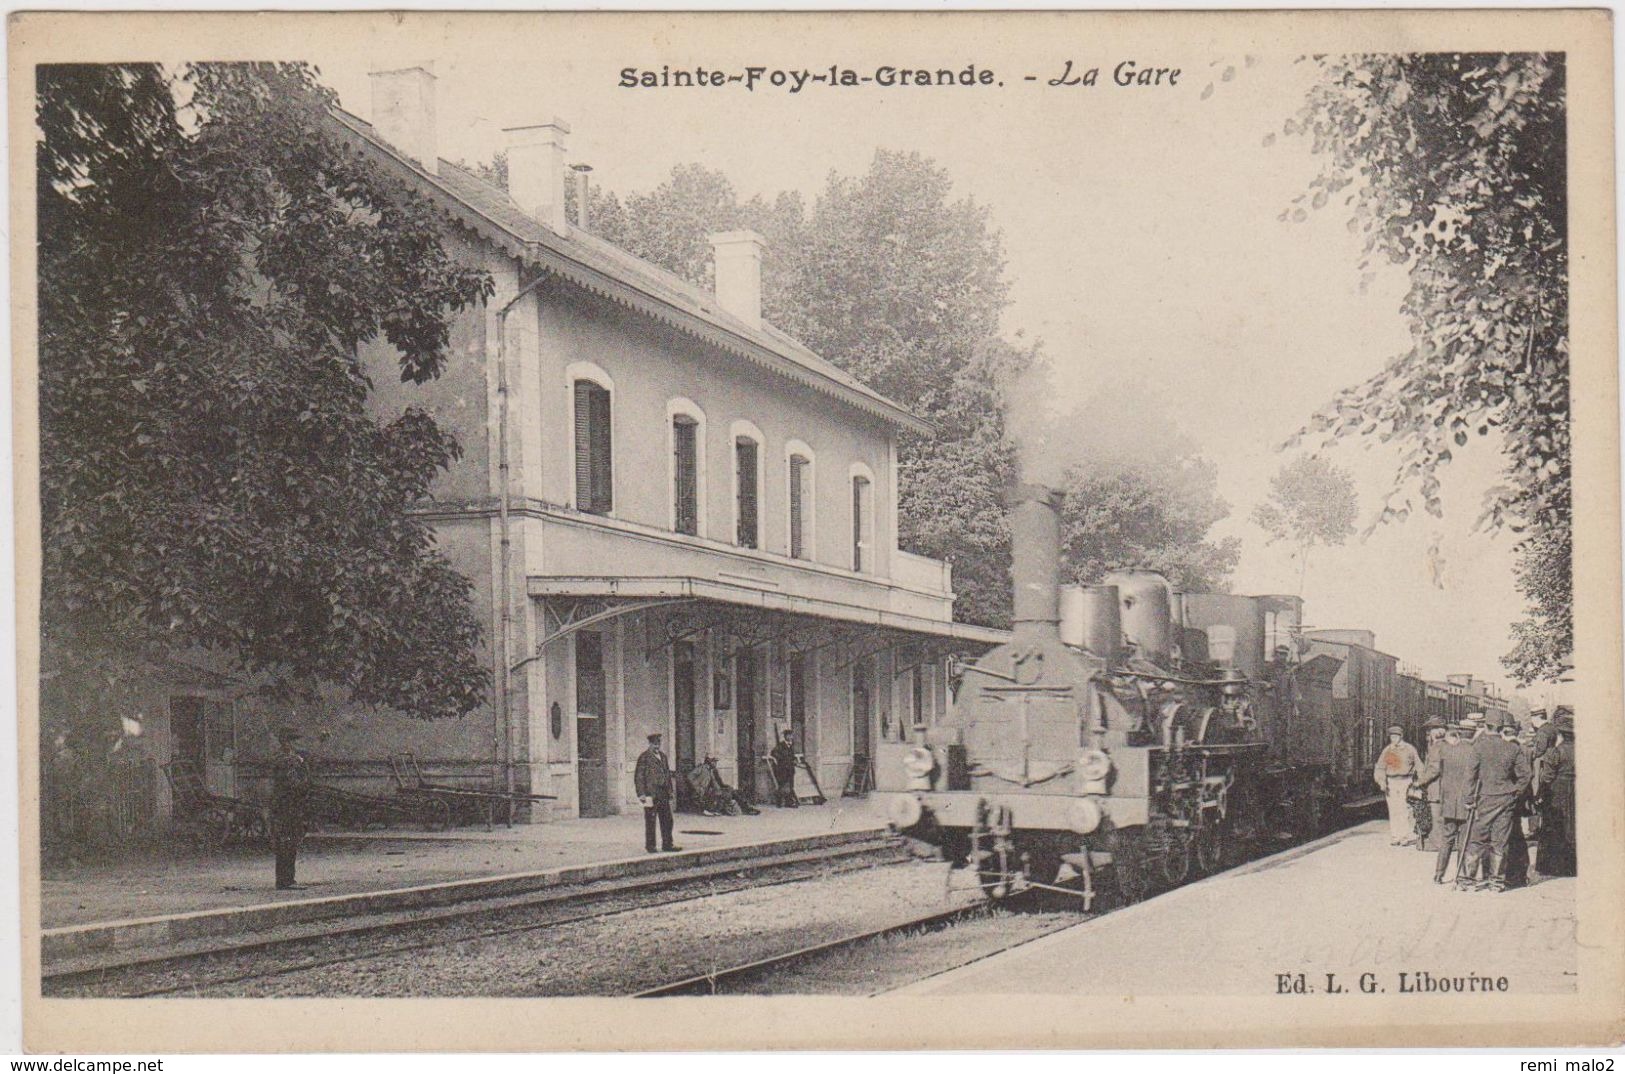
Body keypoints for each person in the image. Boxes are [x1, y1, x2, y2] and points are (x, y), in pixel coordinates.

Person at [1461, 712, 1532, 892]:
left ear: (1486, 726)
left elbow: (1470, 776)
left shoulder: (1478, 747)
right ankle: (1496, 883)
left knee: (1476, 841)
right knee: (1500, 842)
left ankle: (1468, 881)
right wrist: (1515, 792)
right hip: (1506, 800)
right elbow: (1526, 775)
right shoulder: (1512, 748)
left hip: (1483, 800)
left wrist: (1469, 800)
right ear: (1502, 728)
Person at [1430, 720, 1478, 884]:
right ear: (1473, 732)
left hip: (1449, 801)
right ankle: (1462, 876)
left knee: (1447, 839)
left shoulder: (1446, 751)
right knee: (1465, 840)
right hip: (1467, 802)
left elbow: (1438, 771)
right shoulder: (1474, 751)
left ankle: (1438, 874)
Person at [271, 728, 313, 890]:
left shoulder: (284, 759)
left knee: (288, 842)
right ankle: (285, 880)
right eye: (295, 741)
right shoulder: (289, 761)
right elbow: (296, 785)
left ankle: (287, 879)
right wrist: (303, 767)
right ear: (287, 742)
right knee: (288, 842)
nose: (298, 744)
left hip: (285, 806)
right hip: (288, 806)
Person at [1536, 713, 1576, 877]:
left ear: (1560, 734)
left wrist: (1540, 794)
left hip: (1557, 791)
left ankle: (1554, 866)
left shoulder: (1555, 752)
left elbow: (1547, 777)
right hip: (1575, 790)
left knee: (1554, 826)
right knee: (1572, 825)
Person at [1373, 724, 1422, 846]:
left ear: (1401, 736)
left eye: (1396, 736)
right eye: (1392, 736)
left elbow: (1419, 766)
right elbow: (1380, 767)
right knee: (1393, 809)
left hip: (1406, 781)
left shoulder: (1410, 749)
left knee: (1404, 809)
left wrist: (1420, 782)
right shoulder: (1388, 750)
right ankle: (1395, 837)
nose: (1393, 739)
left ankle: (1404, 837)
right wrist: (1382, 781)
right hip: (1391, 782)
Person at [634, 732, 681, 853]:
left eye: (658, 743)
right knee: (650, 820)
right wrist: (641, 794)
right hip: (650, 794)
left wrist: (670, 791)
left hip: (663, 793)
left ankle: (667, 844)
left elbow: (667, 775)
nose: (657, 746)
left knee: (667, 820)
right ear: (649, 744)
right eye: (654, 744)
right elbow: (639, 776)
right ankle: (651, 846)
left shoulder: (663, 756)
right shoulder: (644, 757)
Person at [1410, 718, 1448, 852]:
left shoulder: (1436, 747)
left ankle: (1436, 844)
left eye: (1429, 731)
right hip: (1444, 787)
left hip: (1435, 787)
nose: (1427, 735)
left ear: (1435, 732)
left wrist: (1419, 782)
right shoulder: (1447, 745)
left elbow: (1434, 769)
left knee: (1435, 815)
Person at [686, 755, 761, 816]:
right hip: (703, 793)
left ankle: (747, 808)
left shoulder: (711, 771)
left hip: (711, 792)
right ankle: (747, 809)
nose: (715, 764)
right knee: (729, 794)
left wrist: (724, 788)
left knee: (733, 792)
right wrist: (698, 788)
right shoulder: (701, 768)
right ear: (709, 761)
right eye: (714, 761)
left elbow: (715, 783)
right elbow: (689, 777)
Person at [769, 729, 799, 808]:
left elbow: (792, 756)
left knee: (791, 785)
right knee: (782, 785)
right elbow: (773, 753)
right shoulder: (780, 745)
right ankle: (780, 802)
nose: (790, 737)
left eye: (791, 735)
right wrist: (782, 760)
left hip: (790, 769)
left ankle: (788, 802)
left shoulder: (791, 745)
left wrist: (794, 760)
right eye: (788, 735)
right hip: (782, 769)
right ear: (785, 736)